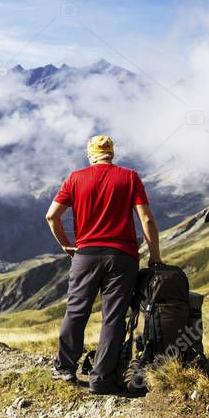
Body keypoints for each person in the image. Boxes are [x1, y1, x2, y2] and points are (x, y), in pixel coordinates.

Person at [45, 135, 162, 394]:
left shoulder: (75, 178)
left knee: (76, 311)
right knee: (114, 317)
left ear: (90, 155)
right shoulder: (130, 177)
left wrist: (66, 244)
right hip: (122, 257)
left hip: (85, 255)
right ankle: (101, 379)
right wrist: (154, 255)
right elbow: (147, 220)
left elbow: (52, 215)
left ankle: (64, 369)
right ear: (112, 153)